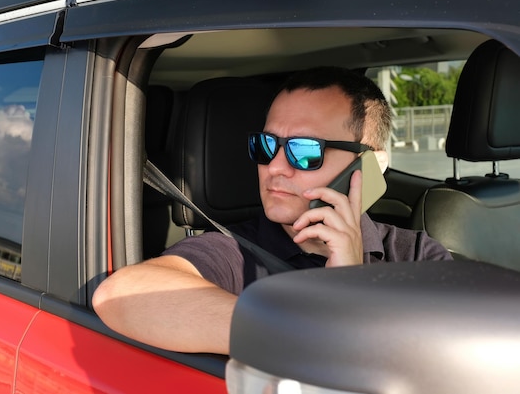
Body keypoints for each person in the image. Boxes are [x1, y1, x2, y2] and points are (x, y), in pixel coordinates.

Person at [93, 66, 452, 355]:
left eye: (305, 150)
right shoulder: (232, 251)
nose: (275, 166)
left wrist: (350, 282)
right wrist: (317, 326)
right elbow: (121, 295)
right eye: (266, 145)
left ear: (369, 166)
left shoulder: (417, 256)